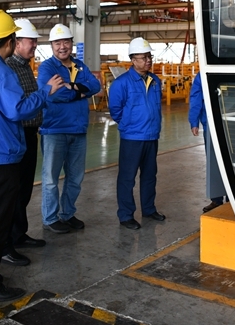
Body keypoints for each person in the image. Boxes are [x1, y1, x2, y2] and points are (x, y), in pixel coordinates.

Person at [0, 10, 63, 304]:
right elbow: (17, 109)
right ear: (9, 41)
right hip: (0, 156)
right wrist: (46, 91)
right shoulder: (1, 71)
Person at [37, 23, 102, 234]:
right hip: (54, 130)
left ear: (71, 43)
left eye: (65, 41)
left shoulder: (80, 66)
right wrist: (81, 92)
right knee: (50, 179)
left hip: (78, 130)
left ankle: (67, 214)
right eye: (57, 43)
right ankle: (50, 218)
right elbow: (54, 95)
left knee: (75, 177)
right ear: (51, 46)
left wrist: (70, 86)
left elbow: (96, 86)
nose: (62, 46)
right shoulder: (47, 68)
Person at [109, 37, 165, 230]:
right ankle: (126, 215)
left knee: (150, 176)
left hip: (151, 136)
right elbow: (115, 110)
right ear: (133, 60)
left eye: (149, 57)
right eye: (143, 57)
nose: (148, 61)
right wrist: (128, 123)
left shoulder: (155, 80)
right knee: (127, 178)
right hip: (132, 138)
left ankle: (149, 209)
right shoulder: (121, 83)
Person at [3, 18, 47, 260]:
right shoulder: (9, 67)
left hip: (30, 134)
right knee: (14, 191)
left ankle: (19, 234)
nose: (35, 45)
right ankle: (7, 241)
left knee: (25, 189)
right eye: (32, 41)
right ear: (17, 43)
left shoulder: (25, 66)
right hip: (17, 135)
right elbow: (16, 107)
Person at [189, 72, 228, 213]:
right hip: (211, 125)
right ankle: (216, 199)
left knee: (233, 163)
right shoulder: (203, 74)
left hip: (234, 123)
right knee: (214, 163)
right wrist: (194, 121)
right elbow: (196, 98)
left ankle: (233, 199)